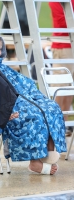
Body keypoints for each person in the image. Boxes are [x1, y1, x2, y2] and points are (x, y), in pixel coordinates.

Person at [0, 30, 67, 175]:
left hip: (24, 99)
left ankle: (48, 151)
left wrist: (34, 97)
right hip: (9, 106)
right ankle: (35, 162)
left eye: (0, 49)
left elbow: (23, 84)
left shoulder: (1, 67)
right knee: (32, 115)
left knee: (51, 107)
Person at [49, 1, 74, 135]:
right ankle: (56, 124)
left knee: (69, 88)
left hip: (68, 45)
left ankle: (64, 123)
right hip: (63, 46)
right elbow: (64, 21)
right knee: (59, 88)